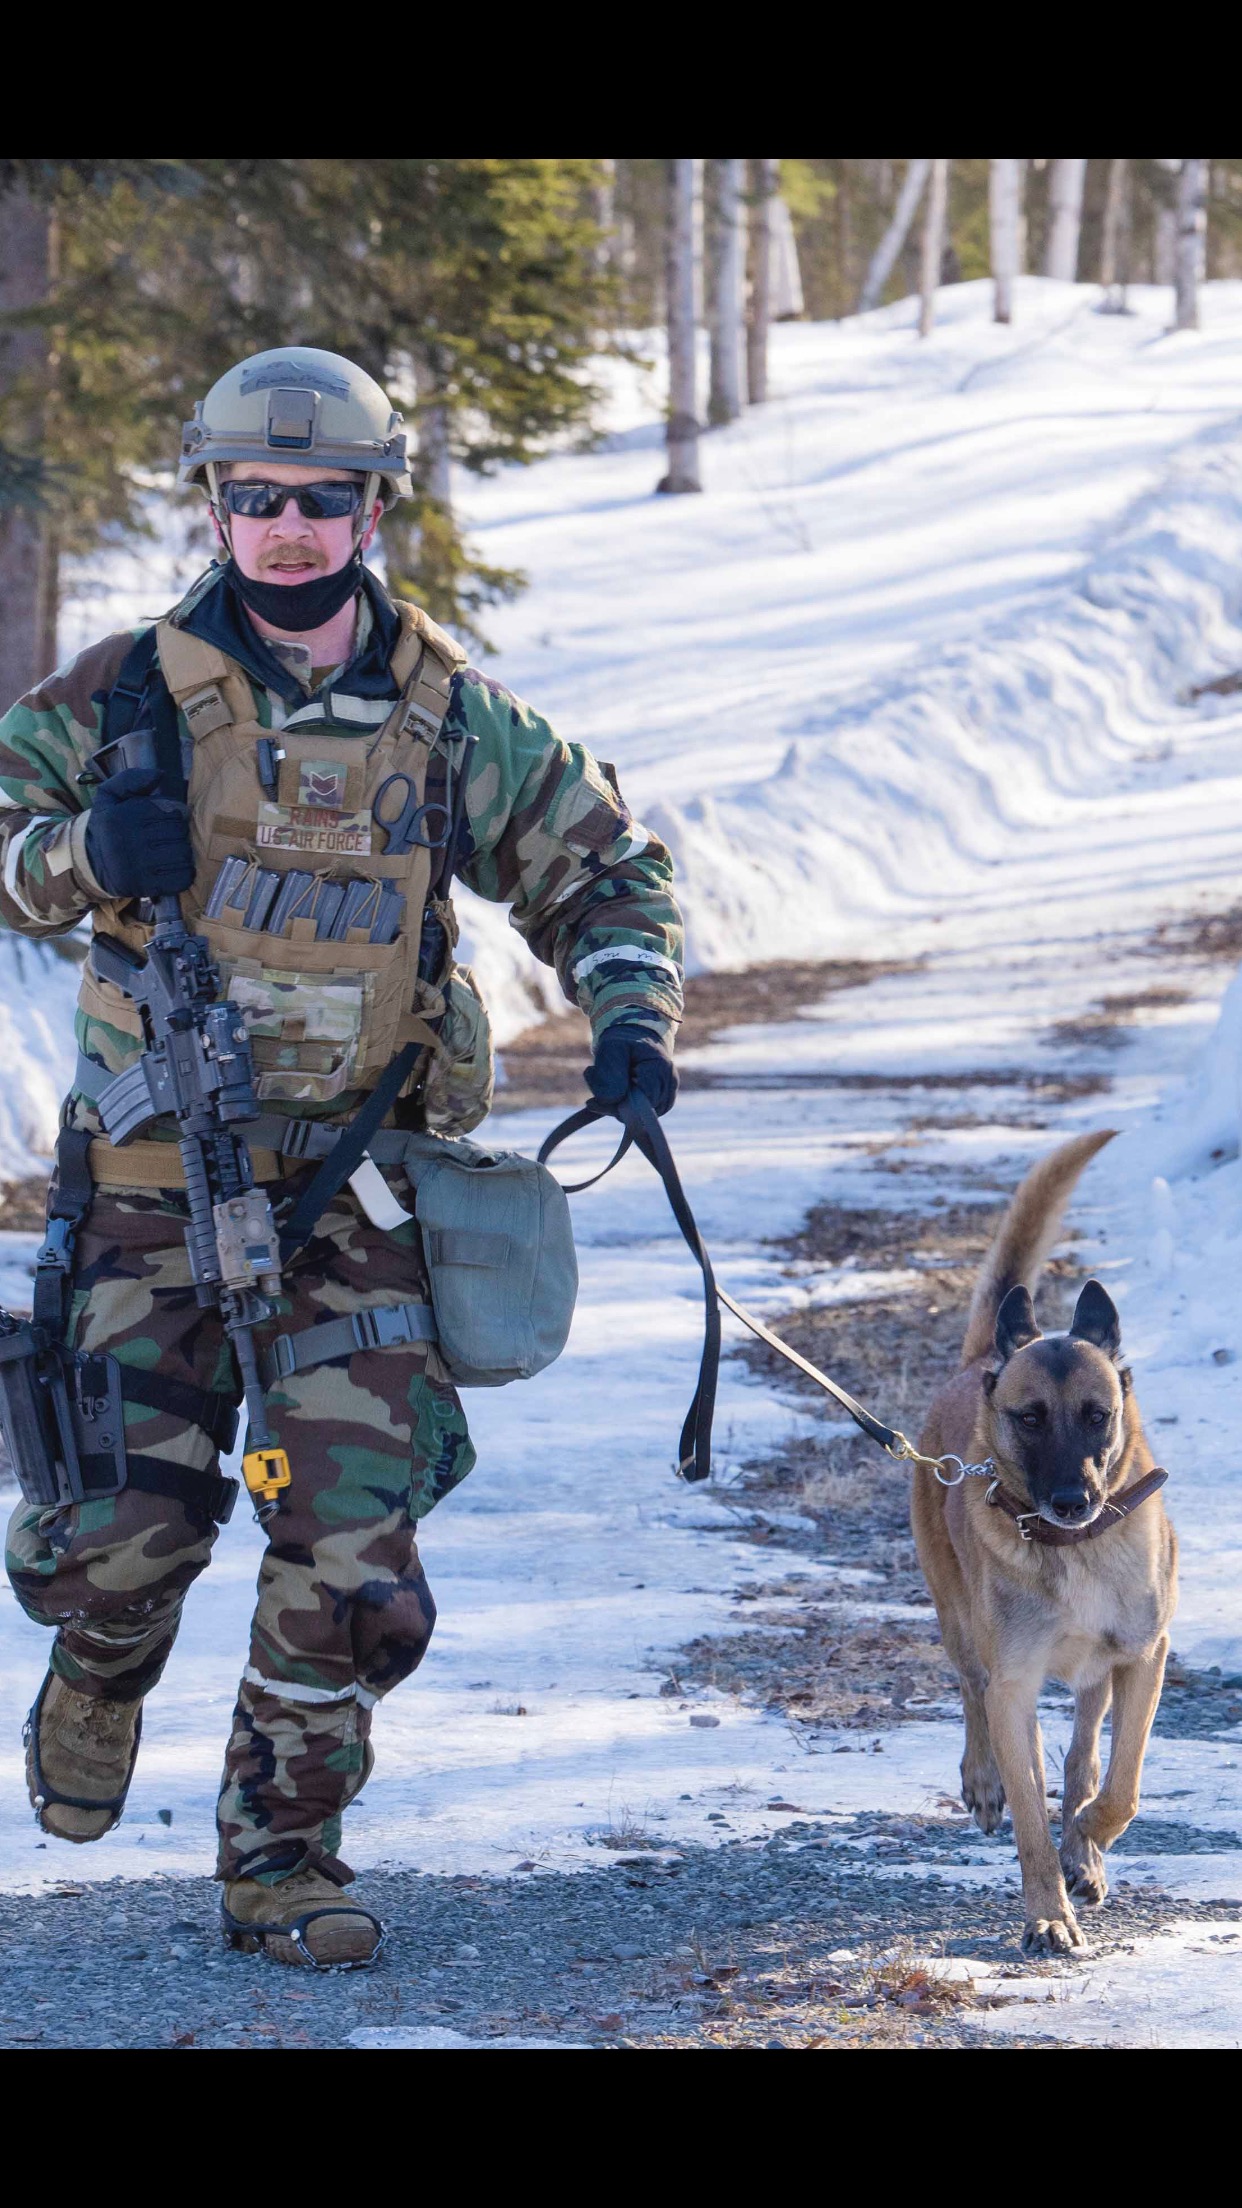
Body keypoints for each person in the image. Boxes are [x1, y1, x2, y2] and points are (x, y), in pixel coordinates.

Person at [0, 347, 683, 1967]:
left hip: (353, 1199)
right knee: (118, 1548)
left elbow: (607, 874)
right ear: (214, 506)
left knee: (355, 1556)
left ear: (373, 509)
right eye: (258, 497)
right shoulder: (117, 696)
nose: (290, 527)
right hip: (151, 1193)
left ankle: (282, 1865)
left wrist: (628, 1017)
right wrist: (78, 852)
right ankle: (101, 1663)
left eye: (323, 498)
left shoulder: (451, 718)